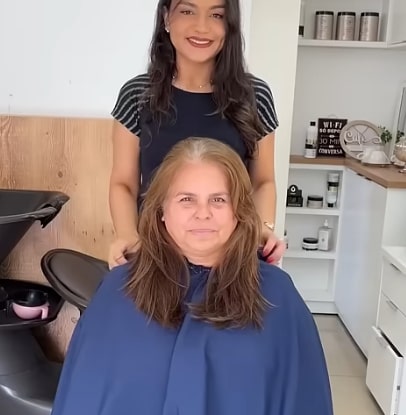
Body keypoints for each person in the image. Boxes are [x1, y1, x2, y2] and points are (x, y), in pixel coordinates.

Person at [51, 138, 333, 415]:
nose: (203, 214)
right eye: (187, 199)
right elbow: (83, 395)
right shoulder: (118, 290)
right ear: (161, 210)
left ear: (239, 211)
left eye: (218, 200)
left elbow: (304, 398)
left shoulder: (276, 296)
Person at [108, 0, 286, 269]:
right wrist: (127, 235)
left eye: (216, 15)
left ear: (230, 25)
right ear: (166, 18)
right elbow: (124, 183)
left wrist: (262, 229)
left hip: (229, 259)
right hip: (155, 257)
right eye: (187, 11)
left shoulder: (254, 96)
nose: (202, 27)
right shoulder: (138, 94)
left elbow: (262, 182)